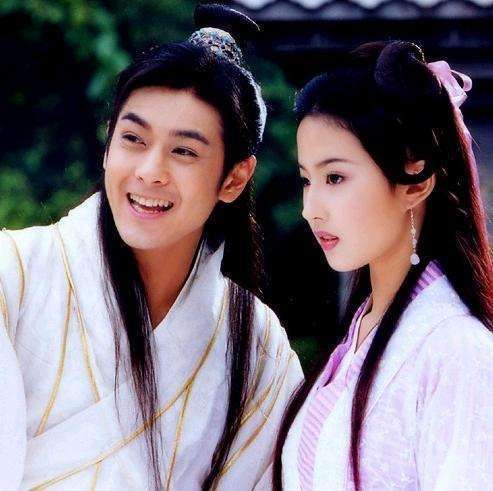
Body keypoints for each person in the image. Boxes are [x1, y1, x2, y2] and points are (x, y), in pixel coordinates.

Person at [0, 4, 303, 489]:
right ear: (108, 145)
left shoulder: (257, 347)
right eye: (133, 139)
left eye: (184, 151)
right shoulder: (11, 275)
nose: (150, 171)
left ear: (234, 178)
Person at [273, 41, 493, 490]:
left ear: (416, 183)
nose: (310, 209)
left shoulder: (458, 351)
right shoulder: (361, 332)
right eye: (307, 180)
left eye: (335, 177)